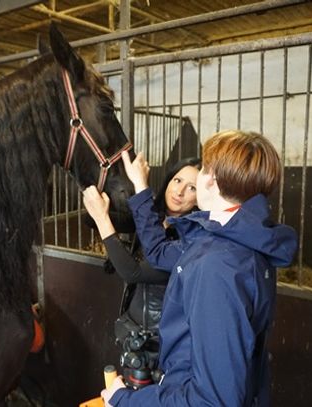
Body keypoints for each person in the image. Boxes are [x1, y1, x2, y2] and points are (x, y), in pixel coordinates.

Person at [102, 130, 298, 406]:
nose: (182, 189)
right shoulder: (238, 237)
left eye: (202, 172)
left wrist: (124, 401)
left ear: (212, 180)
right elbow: (159, 253)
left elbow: (210, 400)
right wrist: (141, 188)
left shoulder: (216, 265)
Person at [82, 158, 201, 388]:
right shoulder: (154, 218)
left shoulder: (187, 239)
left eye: (192, 187)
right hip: (135, 336)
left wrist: (101, 217)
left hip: (159, 346)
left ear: (200, 198)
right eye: (177, 180)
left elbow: (133, 272)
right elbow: (94, 219)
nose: (179, 191)